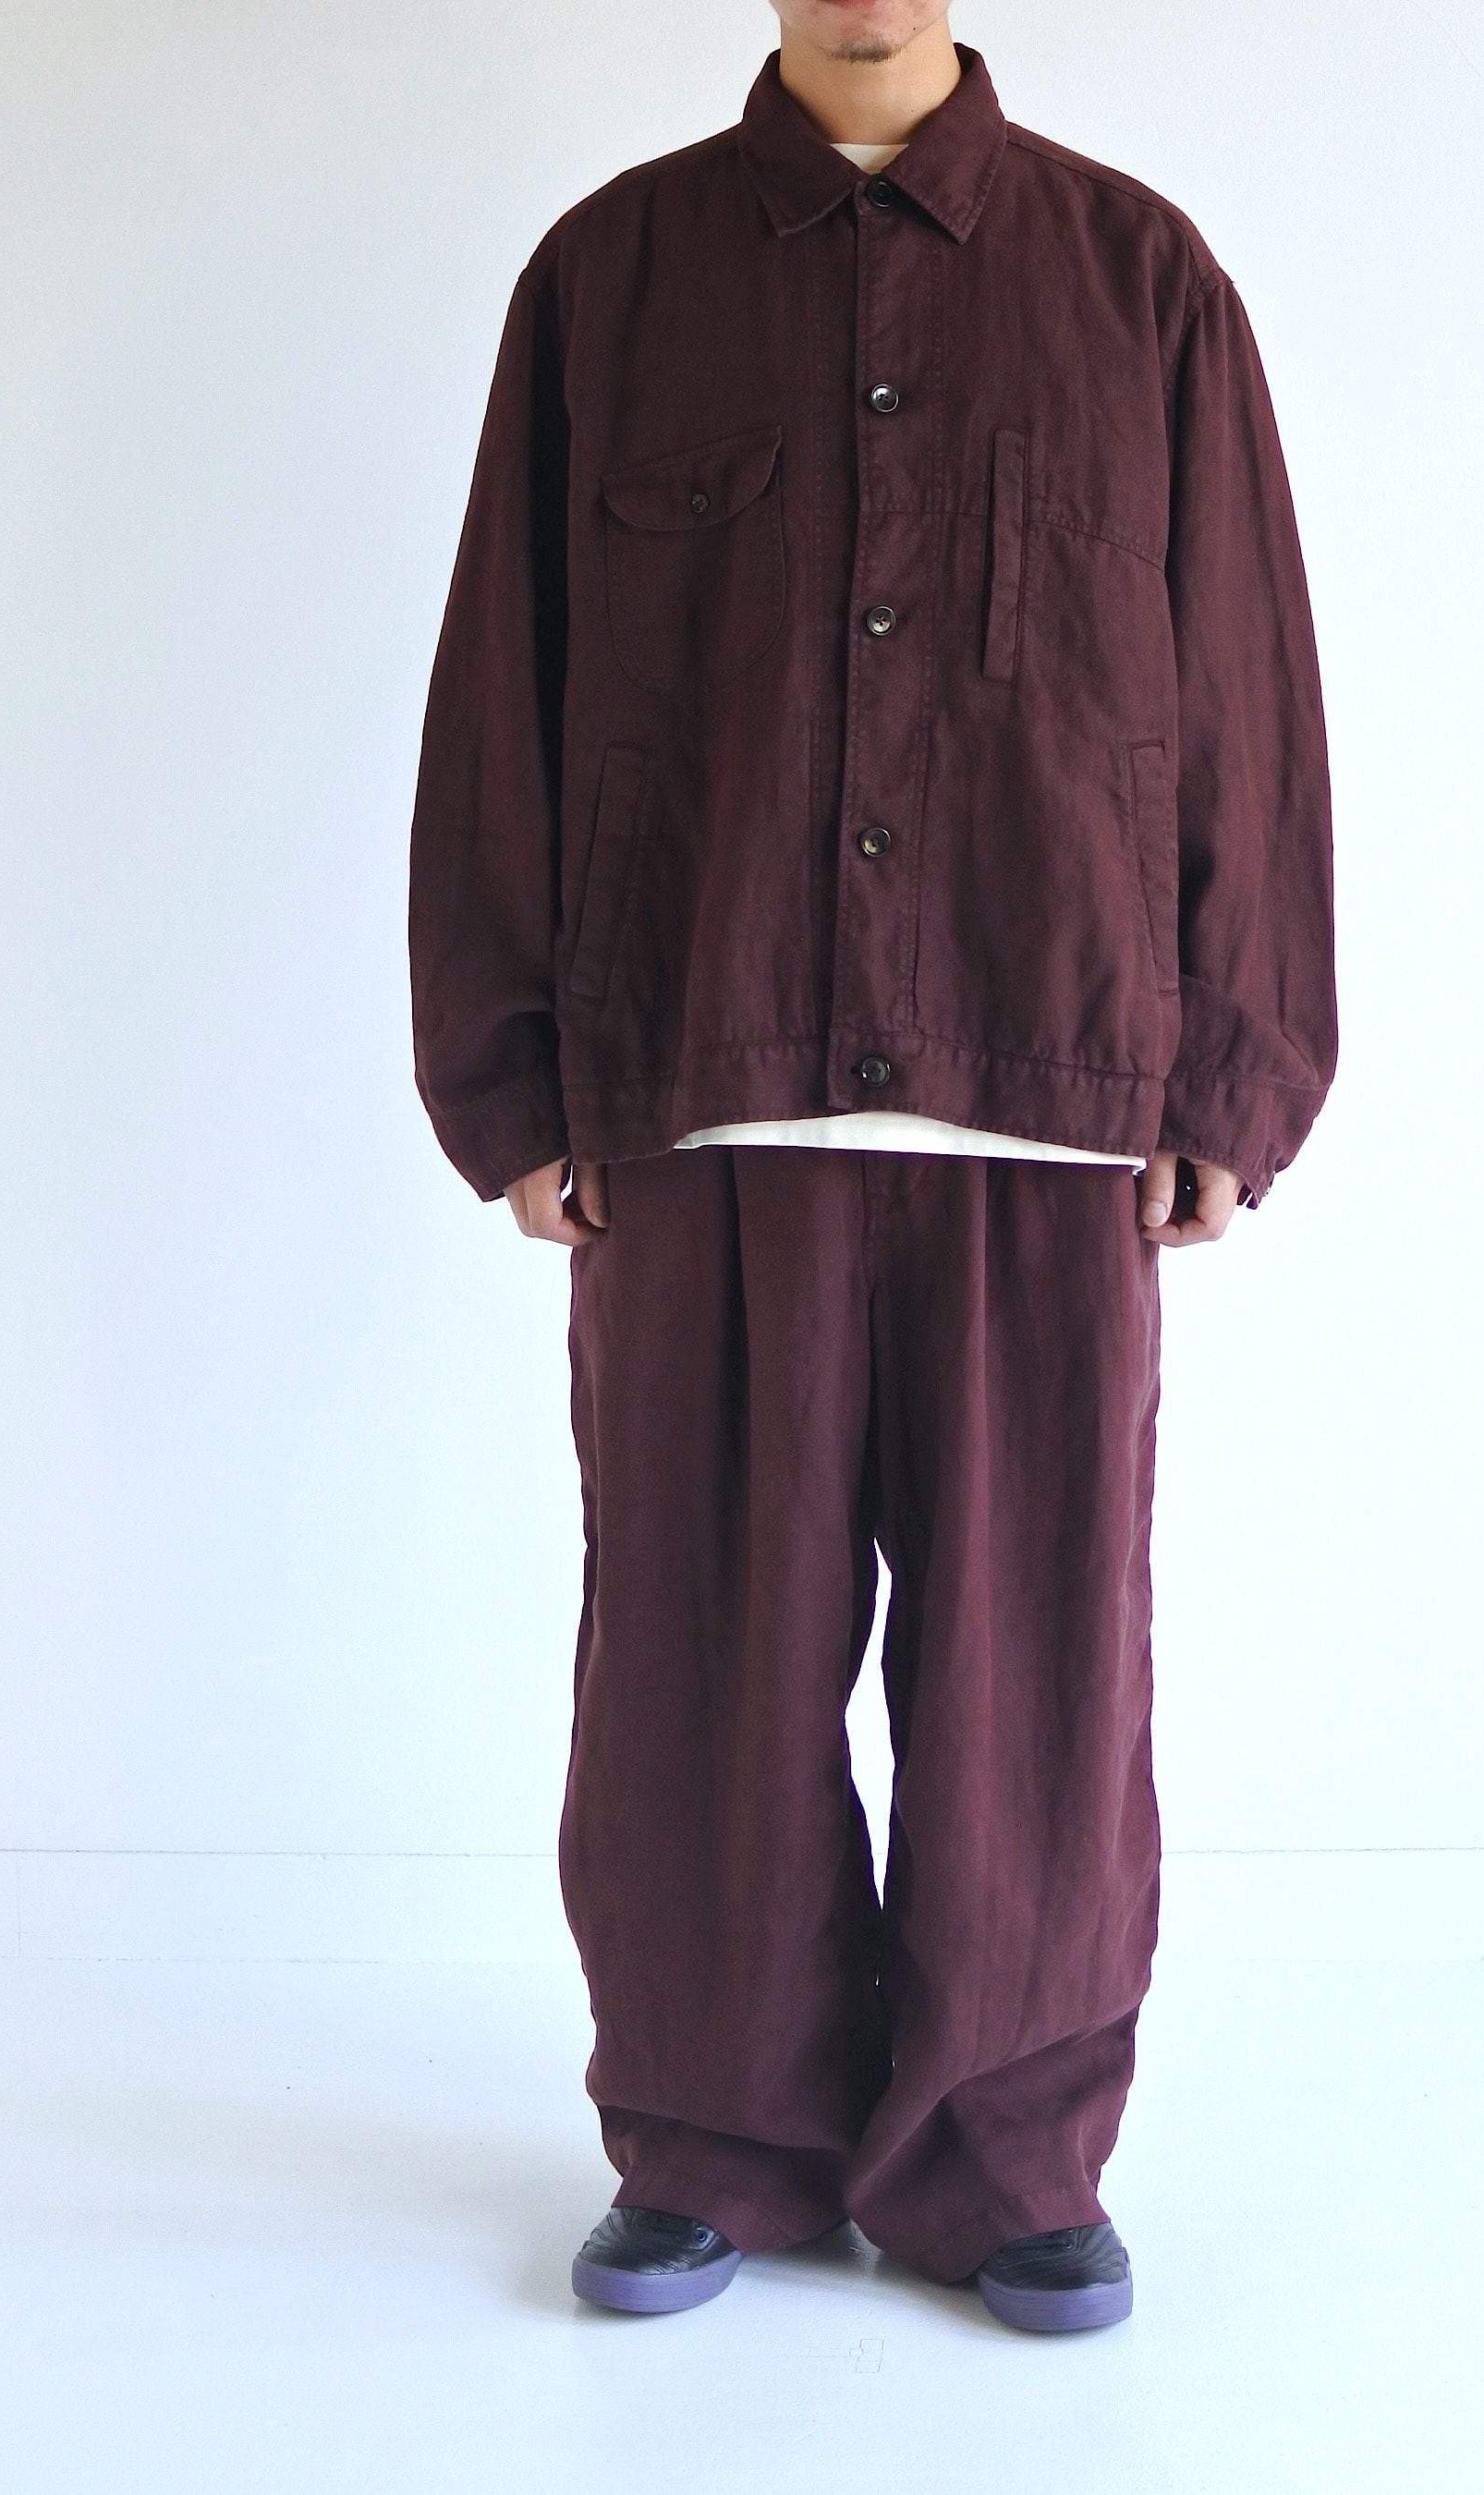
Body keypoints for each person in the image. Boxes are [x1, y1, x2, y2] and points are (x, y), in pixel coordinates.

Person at [407, 0, 1335, 2334]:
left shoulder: (1139, 279)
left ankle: (1013, 2152)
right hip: (699, 1085)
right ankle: (710, 2136)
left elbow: (1246, 689)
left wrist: (1233, 1066)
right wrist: (514, 1073)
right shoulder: (613, 278)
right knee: (695, 1655)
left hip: (1049, 1092)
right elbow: (506, 683)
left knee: (1040, 1670)